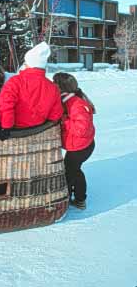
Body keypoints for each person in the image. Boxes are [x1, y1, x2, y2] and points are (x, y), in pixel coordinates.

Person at [53, 72, 95, 210]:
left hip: (81, 147)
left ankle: (79, 199)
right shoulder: (67, 100)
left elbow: (82, 129)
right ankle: (76, 197)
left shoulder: (76, 104)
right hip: (78, 145)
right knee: (72, 170)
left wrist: (64, 121)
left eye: (55, 84)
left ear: (61, 87)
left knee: (72, 172)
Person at [0, 42, 63, 132]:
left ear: (29, 63)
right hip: (39, 129)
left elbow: (6, 106)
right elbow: (55, 114)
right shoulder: (53, 87)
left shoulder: (15, 82)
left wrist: (6, 127)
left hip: (17, 130)